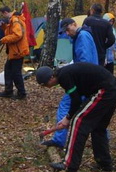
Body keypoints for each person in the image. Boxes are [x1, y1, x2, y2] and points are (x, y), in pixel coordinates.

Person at [36, 62, 116, 172]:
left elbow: (76, 101)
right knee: (98, 127)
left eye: (45, 84)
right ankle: (104, 163)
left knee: (78, 121)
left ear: (51, 77)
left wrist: (68, 118)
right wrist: (68, 117)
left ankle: (69, 164)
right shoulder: (65, 73)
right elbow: (78, 98)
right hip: (113, 89)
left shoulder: (64, 76)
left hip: (105, 90)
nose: (47, 87)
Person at [42, 18, 98, 148]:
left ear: (74, 24)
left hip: (84, 81)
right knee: (92, 111)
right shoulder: (80, 36)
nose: (67, 33)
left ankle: (59, 140)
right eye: (65, 32)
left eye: (68, 30)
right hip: (88, 80)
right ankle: (102, 138)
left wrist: (73, 76)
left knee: (66, 105)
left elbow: (85, 62)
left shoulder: (82, 36)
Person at [0, 6, 30, 99]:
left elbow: (17, 35)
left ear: (5, 12)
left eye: (2, 15)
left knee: (16, 73)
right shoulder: (13, 20)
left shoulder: (15, 20)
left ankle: (21, 93)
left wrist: (3, 40)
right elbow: (10, 32)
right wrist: (4, 26)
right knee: (8, 70)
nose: (2, 17)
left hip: (17, 52)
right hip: (14, 51)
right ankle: (8, 91)